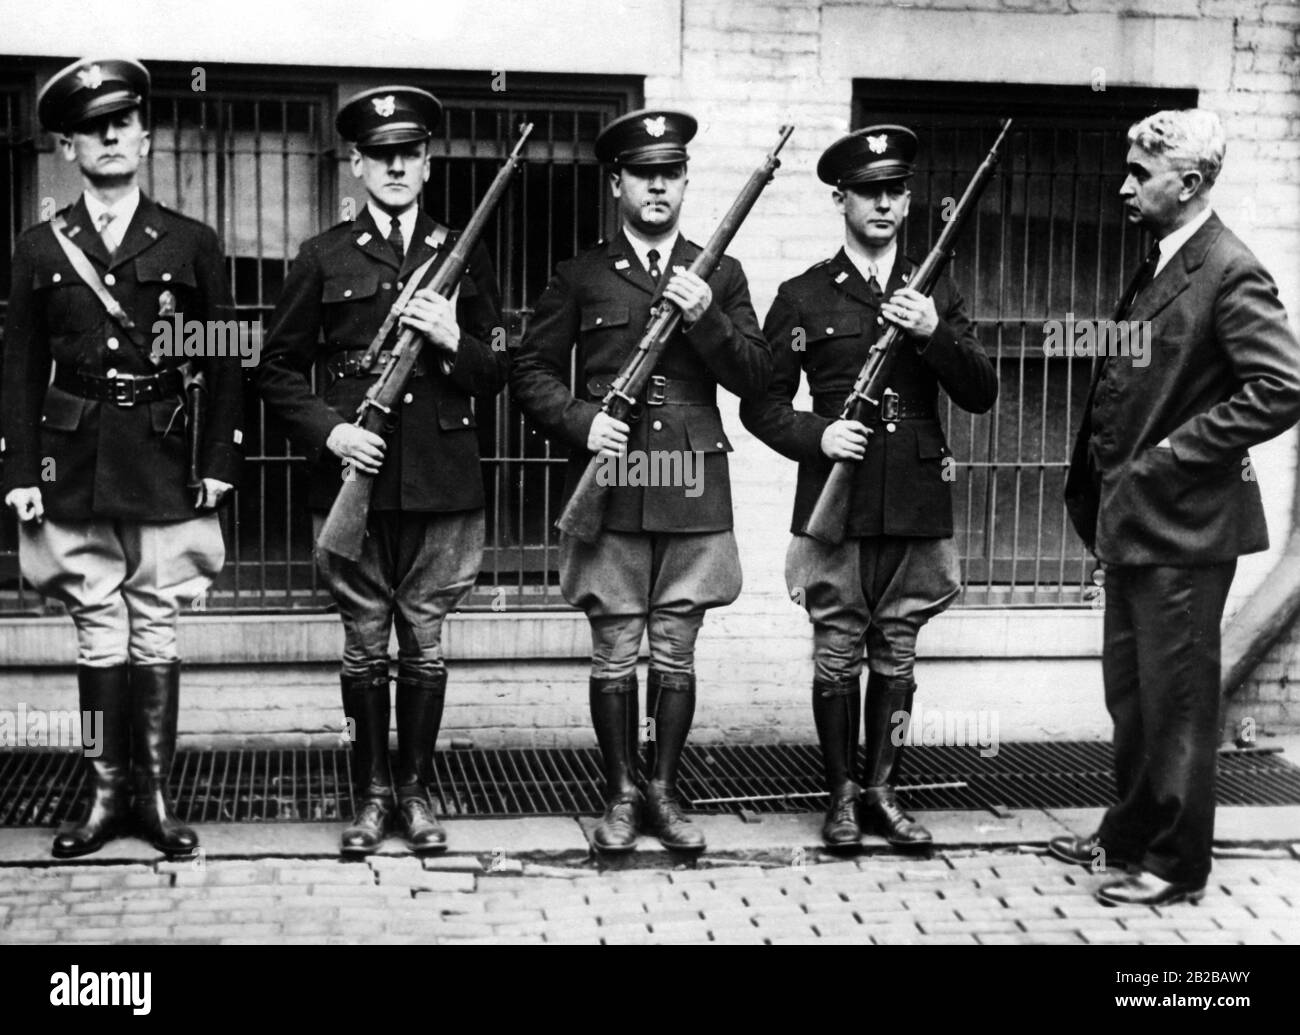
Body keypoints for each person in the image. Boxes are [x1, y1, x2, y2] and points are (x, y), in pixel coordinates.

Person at [1, 58, 244, 859]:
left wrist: (218, 459)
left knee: (158, 628)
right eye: (92, 127)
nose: (110, 136)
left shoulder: (192, 242)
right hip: (70, 463)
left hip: (166, 457)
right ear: (68, 145)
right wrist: (16, 473)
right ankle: (107, 798)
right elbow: (18, 365)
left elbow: (222, 360)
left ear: (145, 136)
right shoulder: (41, 247)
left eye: (124, 122)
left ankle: (158, 798)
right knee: (98, 634)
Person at [1057, 109, 1300, 905]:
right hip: (1136, 522)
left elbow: (1282, 386)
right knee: (1130, 693)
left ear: (1188, 183)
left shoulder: (1229, 269)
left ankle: (1174, 862)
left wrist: (1172, 455)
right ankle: (1125, 833)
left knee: (1180, 701)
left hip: (1185, 528)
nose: (1125, 185)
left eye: (1140, 173)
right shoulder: (1164, 260)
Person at [510, 109, 769, 854]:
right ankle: (620, 791)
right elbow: (527, 370)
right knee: (616, 647)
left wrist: (709, 316)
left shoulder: (719, 272)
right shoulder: (580, 275)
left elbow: (758, 377)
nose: (658, 187)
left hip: (691, 480)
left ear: (686, 181)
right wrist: (580, 421)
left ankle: (665, 787)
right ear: (617, 182)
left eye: (670, 174)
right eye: (643, 174)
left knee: (679, 649)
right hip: (614, 477)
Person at [256, 87, 506, 856]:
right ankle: (370, 798)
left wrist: (453, 334)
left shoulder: (465, 251)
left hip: (440, 480)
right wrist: (333, 435)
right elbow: (276, 369)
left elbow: (498, 371)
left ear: (428, 164)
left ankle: (417, 795)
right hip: (351, 482)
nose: (396, 167)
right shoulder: (321, 256)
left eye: (411, 153)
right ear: (357, 164)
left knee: (424, 646)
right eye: (381, 155)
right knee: (365, 647)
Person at [740, 125, 997, 850]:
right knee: (835, 649)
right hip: (837, 495)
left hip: (915, 495)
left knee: (899, 649)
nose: (884, 202)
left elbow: (981, 391)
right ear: (840, 199)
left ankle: (884, 788)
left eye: (896, 190)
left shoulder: (935, 286)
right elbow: (760, 403)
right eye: (869, 191)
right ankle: (841, 795)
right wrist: (815, 435)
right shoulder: (802, 294)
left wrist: (933, 331)